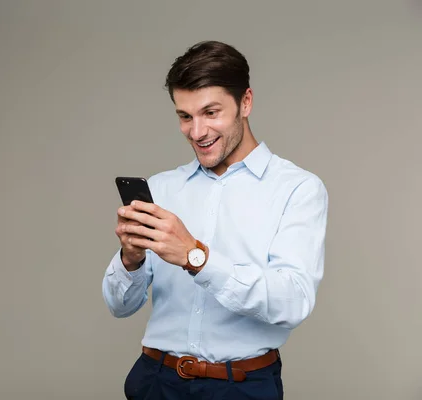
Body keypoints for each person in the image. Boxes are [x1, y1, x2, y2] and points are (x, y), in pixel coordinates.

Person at [101, 40, 329, 400]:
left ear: (246, 103)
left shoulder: (298, 189)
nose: (197, 132)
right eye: (185, 116)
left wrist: (195, 256)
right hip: (154, 382)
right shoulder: (160, 188)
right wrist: (130, 259)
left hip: (240, 387)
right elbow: (119, 307)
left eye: (211, 112)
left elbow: (292, 302)